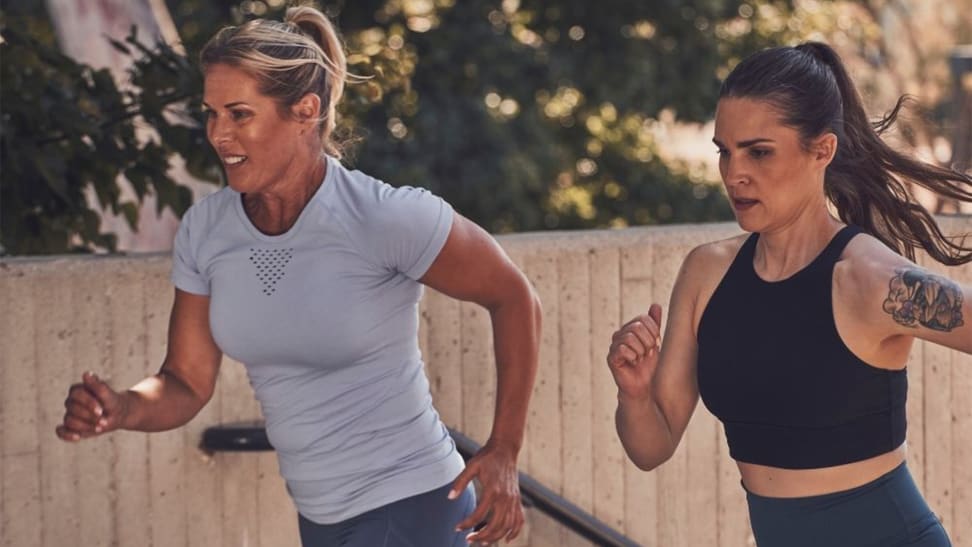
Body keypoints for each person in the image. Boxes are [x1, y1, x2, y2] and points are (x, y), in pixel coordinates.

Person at [55, 6, 541, 546]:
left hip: (411, 504)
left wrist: (504, 450)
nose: (218, 133)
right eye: (211, 113)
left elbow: (515, 296)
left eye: (240, 114)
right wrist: (121, 407)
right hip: (320, 519)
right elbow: (186, 381)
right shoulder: (207, 231)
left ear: (305, 110)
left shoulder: (382, 217)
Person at [607, 42, 971, 547]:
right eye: (725, 150)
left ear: (822, 150)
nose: (734, 173)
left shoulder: (868, 279)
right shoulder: (706, 273)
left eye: (759, 151)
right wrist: (634, 393)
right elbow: (653, 446)